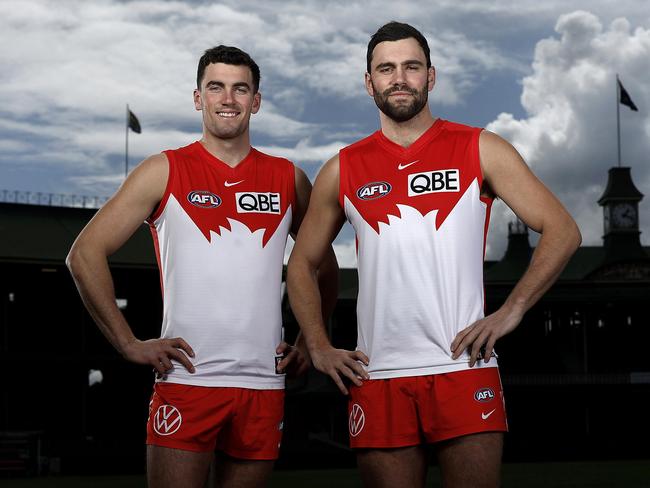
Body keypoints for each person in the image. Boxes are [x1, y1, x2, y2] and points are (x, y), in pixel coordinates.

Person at [287, 21, 581, 488]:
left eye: (411, 66)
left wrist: (511, 311)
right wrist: (318, 347)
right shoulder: (342, 169)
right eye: (386, 68)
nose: (399, 77)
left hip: (463, 369)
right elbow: (301, 264)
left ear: (431, 76)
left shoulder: (480, 148)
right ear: (369, 83)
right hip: (378, 374)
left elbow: (562, 229)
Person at [67, 45, 337, 488]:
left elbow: (322, 266)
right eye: (216, 87)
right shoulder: (164, 170)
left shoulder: (288, 178)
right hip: (188, 380)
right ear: (198, 98)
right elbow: (84, 253)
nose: (228, 99)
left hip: (263, 384)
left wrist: (313, 341)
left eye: (240, 88)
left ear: (256, 101)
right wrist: (128, 342)